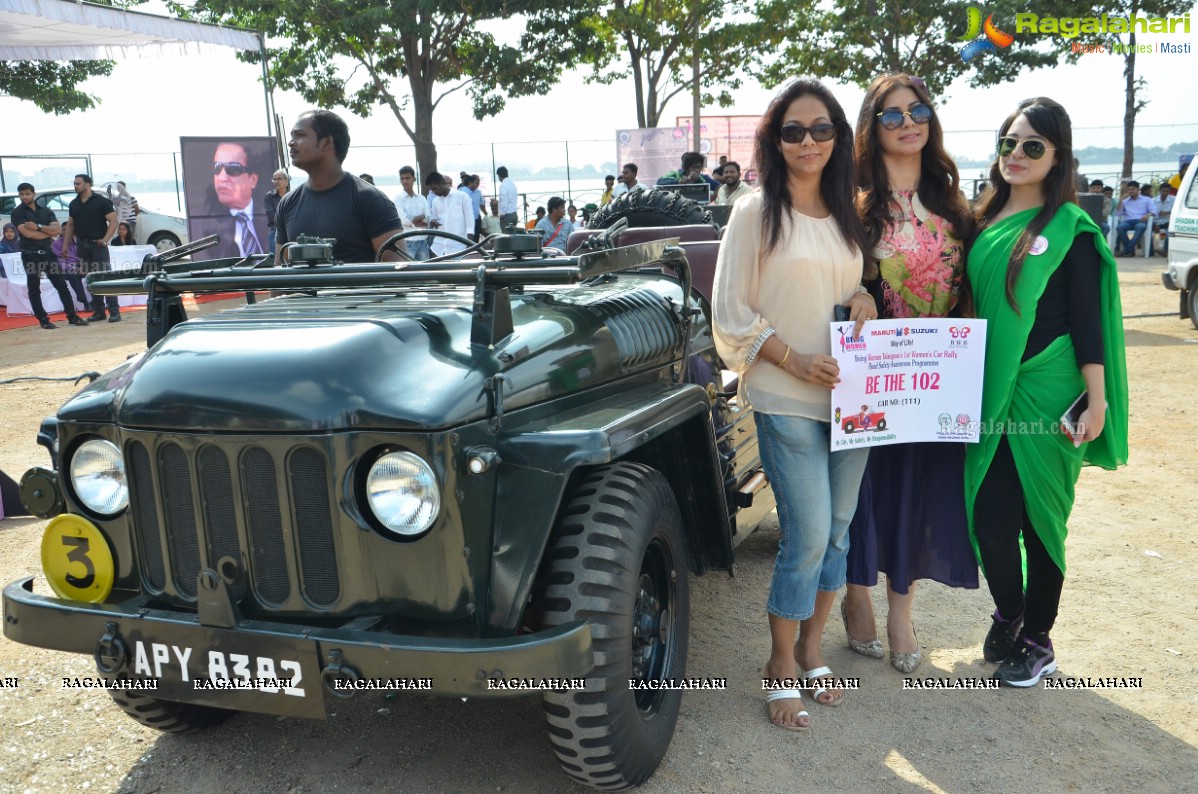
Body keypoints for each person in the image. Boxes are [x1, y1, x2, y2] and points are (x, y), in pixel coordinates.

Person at [711, 79, 874, 730]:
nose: (809, 141)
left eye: (822, 128)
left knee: (838, 529)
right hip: (786, 395)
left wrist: (864, 296)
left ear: (839, 137)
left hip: (857, 399)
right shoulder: (754, 211)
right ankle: (779, 664)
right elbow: (729, 313)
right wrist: (793, 360)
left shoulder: (848, 210)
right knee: (805, 535)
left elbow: (855, 278)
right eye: (793, 130)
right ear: (774, 141)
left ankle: (812, 649)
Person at [966, 97, 1128, 687]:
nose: (1017, 154)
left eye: (1033, 146)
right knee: (988, 515)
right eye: (1010, 143)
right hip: (990, 391)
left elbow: (1089, 322)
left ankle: (1037, 638)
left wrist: (1096, 398)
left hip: (1050, 394)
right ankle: (1010, 611)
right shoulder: (982, 221)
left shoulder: (1071, 230)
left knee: (1040, 520)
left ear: (1058, 157)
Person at [842, 73, 978, 675]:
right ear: (872, 128)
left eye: (917, 110)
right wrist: (856, 290)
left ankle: (901, 608)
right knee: (864, 489)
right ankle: (853, 595)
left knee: (920, 490)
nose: (907, 123)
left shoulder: (954, 203)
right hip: (871, 374)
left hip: (936, 376)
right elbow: (826, 273)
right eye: (891, 115)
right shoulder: (850, 204)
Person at [276, 110, 404, 262]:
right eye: (292, 136)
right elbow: (281, 269)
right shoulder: (287, 203)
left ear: (326, 143)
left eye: (300, 135)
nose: (291, 142)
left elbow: (396, 271)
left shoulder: (370, 200)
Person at [10, 182, 88, 329]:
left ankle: (73, 317)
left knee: (61, 285)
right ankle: (43, 319)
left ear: (33, 194)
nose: (24, 196)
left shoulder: (46, 211)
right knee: (34, 287)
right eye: (21, 194)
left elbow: (58, 231)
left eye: (27, 193)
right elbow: (28, 233)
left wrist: (39, 227)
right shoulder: (17, 213)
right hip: (30, 254)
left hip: (48, 253)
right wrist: (47, 232)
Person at [191, 142, 271, 260]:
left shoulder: (272, 214)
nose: (222, 178)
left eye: (233, 168)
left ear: (253, 180)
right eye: (217, 167)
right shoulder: (198, 224)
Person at [62, 173, 120, 323]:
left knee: (105, 278)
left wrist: (106, 240)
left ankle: (114, 311)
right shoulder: (73, 204)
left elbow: (114, 221)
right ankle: (99, 312)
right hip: (82, 245)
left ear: (88, 184)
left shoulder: (102, 202)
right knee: (91, 279)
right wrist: (65, 245)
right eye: (74, 183)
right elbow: (70, 225)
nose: (75, 186)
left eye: (78, 183)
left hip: (98, 245)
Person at [424, 170, 473, 258]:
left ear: (442, 183)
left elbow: (470, 223)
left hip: (459, 248)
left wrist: (469, 246)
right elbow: (435, 222)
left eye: (435, 188)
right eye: (431, 190)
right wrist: (434, 223)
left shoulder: (462, 197)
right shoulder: (435, 201)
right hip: (439, 248)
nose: (434, 192)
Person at [395, 165, 430, 260]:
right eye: (402, 179)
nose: (405, 181)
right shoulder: (397, 199)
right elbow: (403, 220)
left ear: (414, 179)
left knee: (424, 270)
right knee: (408, 271)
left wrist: (413, 221)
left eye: (408, 178)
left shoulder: (421, 198)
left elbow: (428, 217)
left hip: (423, 240)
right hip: (407, 240)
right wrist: (419, 220)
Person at [1112, 180, 1155, 256]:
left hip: (1141, 220)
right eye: (1129, 190)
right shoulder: (1125, 201)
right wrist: (1121, 200)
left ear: (1138, 189)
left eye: (1133, 189)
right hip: (1128, 221)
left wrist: (1147, 215)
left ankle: (1127, 250)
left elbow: (1153, 212)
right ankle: (1130, 250)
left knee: (1141, 227)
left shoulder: (1147, 200)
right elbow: (1118, 213)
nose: (1130, 191)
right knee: (1120, 227)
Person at [265, 169, 290, 254]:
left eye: (279, 179)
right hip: (275, 232)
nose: (276, 181)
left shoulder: (292, 196)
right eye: (274, 179)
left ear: (286, 181)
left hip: (290, 232)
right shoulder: (269, 196)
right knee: (277, 261)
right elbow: (271, 217)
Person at [1153, 183, 1175, 256]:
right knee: (1148, 231)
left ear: (1169, 192)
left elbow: (1177, 211)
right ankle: (1150, 251)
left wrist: (1168, 212)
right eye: (1163, 191)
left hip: (1167, 222)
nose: (1165, 193)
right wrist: (1154, 224)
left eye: (1167, 191)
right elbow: (1149, 214)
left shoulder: (1174, 199)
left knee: (1168, 233)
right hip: (1155, 222)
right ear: (1159, 191)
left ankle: (1165, 250)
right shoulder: (1153, 200)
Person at [497, 166, 519, 231]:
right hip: (514, 214)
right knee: (512, 236)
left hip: (507, 215)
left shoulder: (503, 185)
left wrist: (502, 215)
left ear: (499, 175)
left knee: (506, 236)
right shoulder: (512, 184)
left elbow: (503, 202)